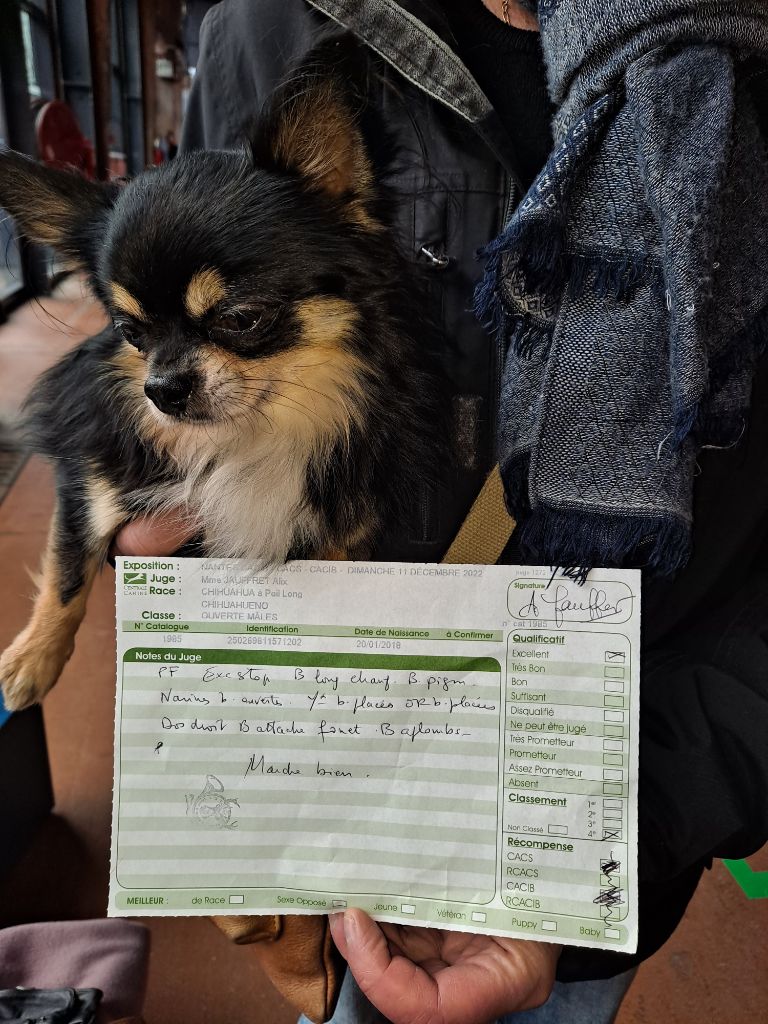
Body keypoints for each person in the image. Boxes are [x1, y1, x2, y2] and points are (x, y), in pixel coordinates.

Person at [114, 1, 768, 1021]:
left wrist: (615, 828)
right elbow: (166, 356)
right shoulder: (269, 26)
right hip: (321, 799)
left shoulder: (742, 64)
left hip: (609, 818)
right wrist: (172, 530)